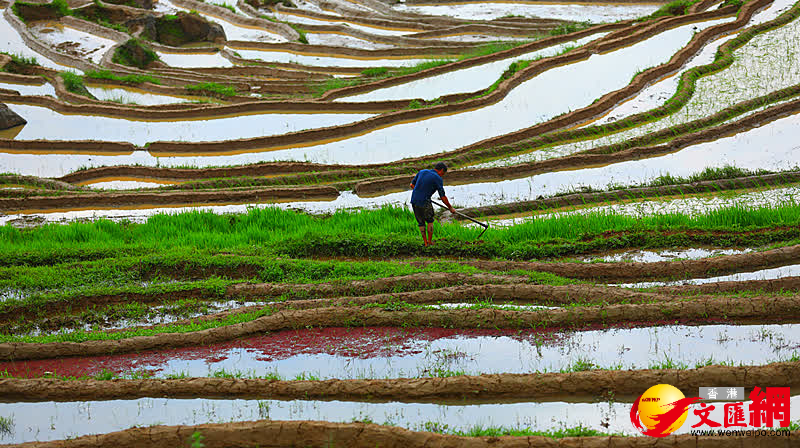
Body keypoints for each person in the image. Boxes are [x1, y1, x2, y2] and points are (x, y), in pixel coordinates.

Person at [410, 162, 456, 246]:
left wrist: (420, 193)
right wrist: (450, 208)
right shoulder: (437, 178)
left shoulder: (422, 172)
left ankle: (425, 242)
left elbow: (412, 185)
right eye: (443, 173)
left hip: (414, 200)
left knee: (421, 223)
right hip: (424, 201)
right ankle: (430, 242)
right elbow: (442, 196)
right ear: (441, 170)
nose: (442, 175)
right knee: (430, 221)